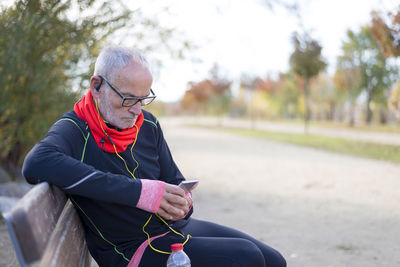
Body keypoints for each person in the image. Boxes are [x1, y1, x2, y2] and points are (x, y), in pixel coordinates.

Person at [22, 46, 286, 267]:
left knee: (274, 260)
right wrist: (140, 193)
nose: (136, 109)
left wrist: (182, 202)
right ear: (97, 86)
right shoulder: (74, 129)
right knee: (247, 258)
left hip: (169, 230)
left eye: (143, 98)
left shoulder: (148, 124)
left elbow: (173, 178)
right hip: (131, 248)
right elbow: (36, 163)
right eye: (127, 98)